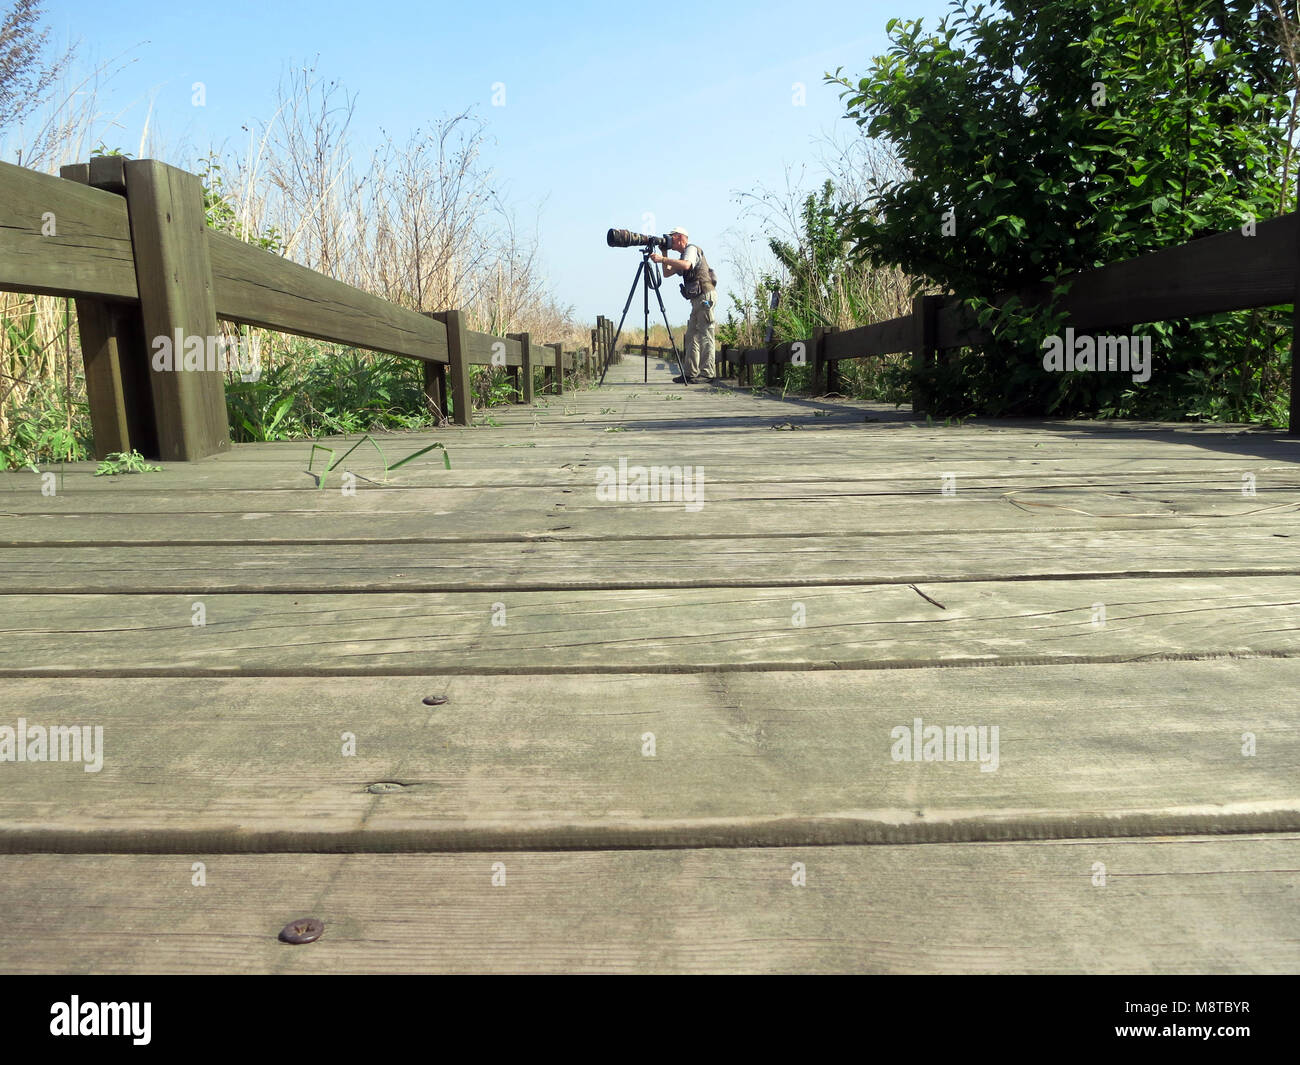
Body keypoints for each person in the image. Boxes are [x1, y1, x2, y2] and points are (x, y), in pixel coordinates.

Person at [650, 226, 717, 384]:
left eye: (672, 238)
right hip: (697, 300)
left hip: (705, 297)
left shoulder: (691, 249)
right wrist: (664, 254)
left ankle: (708, 373)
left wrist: (662, 259)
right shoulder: (682, 255)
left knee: (706, 334)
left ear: (680, 237)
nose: (670, 241)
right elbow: (666, 273)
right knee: (692, 336)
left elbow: (686, 265)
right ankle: (690, 373)